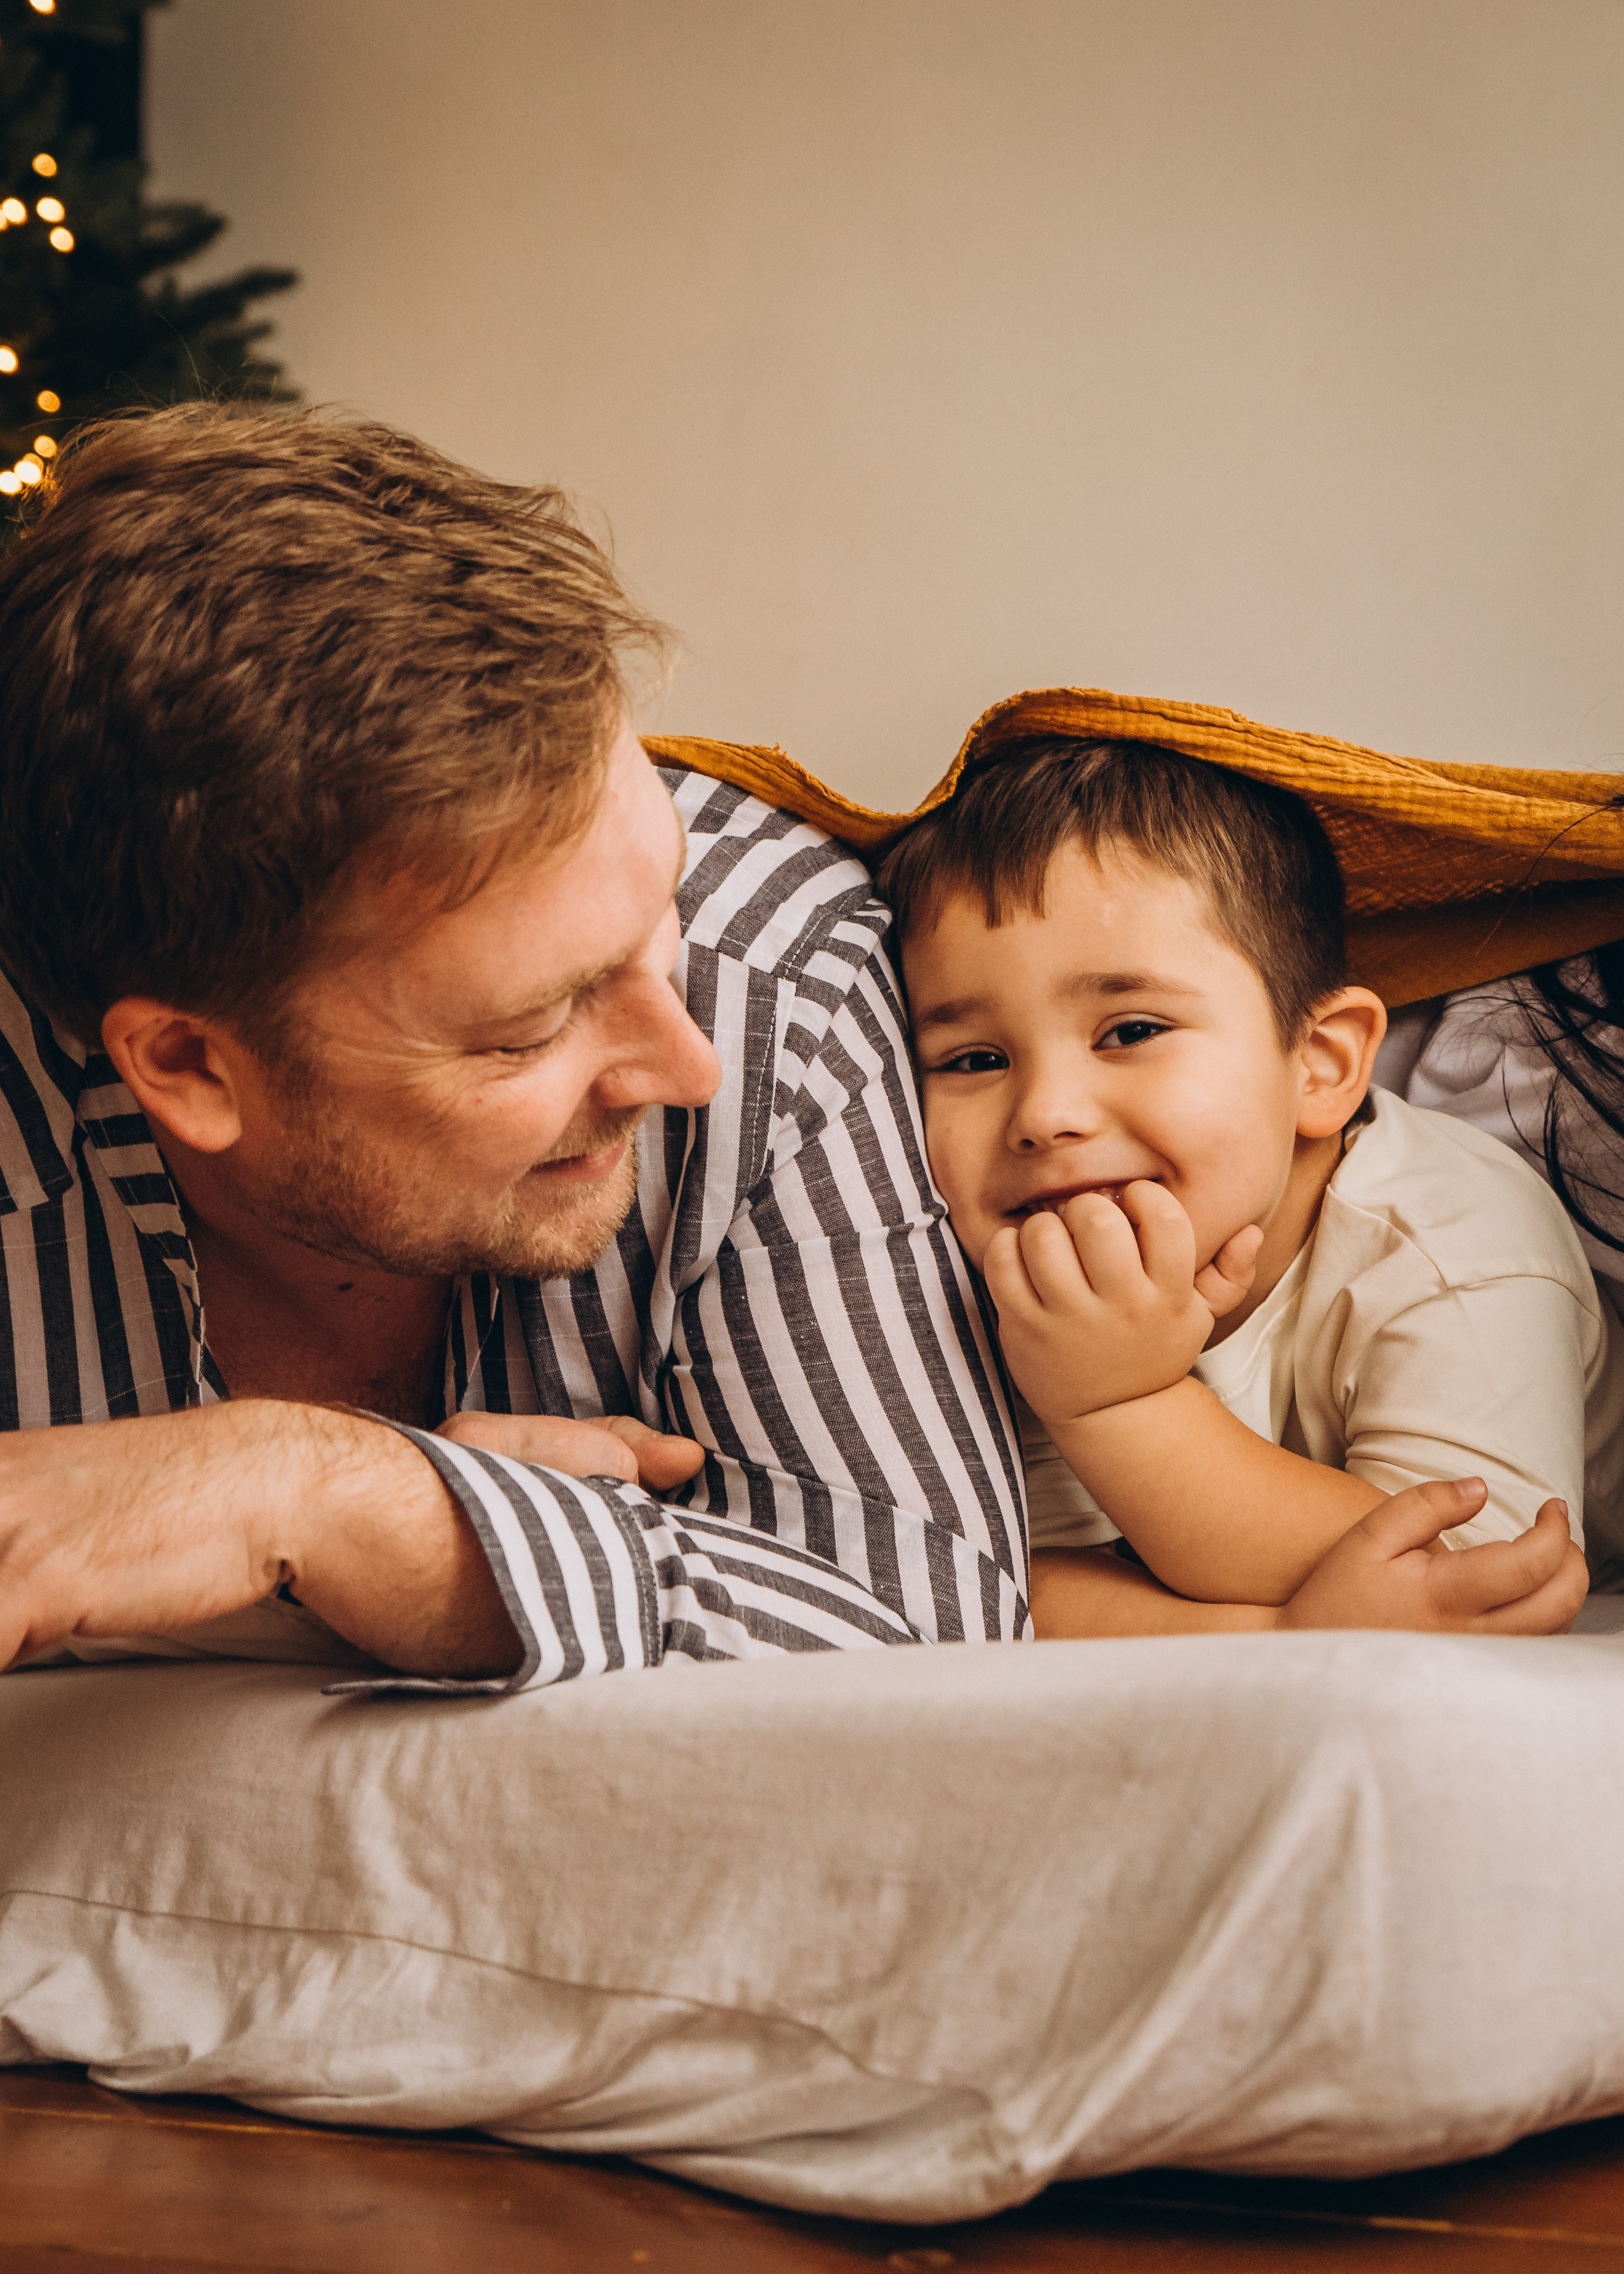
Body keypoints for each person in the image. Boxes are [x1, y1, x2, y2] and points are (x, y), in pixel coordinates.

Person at [0, 409, 1584, 1685]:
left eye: (653, 921)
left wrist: (327, 1493)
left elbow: (913, 1605)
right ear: (187, 1068)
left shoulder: (783, 980)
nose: (684, 1062)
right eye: (535, 1020)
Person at [878, 737, 1611, 1635]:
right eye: (974, 1059)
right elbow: (979, 1585)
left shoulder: (1456, 1239)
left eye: (1131, 1030)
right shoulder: (993, 1281)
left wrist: (1121, 1403)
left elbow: (1484, 1585)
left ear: (1321, 1066)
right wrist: (1275, 1635)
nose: (1045, 1114)